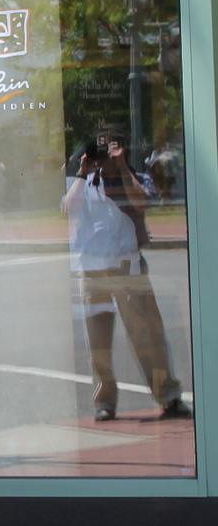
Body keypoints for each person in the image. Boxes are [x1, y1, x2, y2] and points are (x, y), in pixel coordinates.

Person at [62, 130, 189, 422]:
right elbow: (68, 208)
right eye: (100, 151)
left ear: (124, 150)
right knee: (98, 343)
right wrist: (82, 172)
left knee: (148, 336)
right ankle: (104, 402)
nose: (104, 156)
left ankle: (168, 396)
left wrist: (120, 167)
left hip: (127, 266)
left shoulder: (135, 177)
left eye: (111, 149)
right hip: (92, 269)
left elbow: (141, 201)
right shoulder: (85, 182)